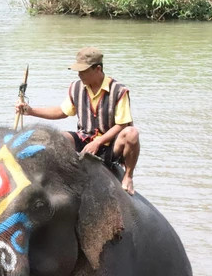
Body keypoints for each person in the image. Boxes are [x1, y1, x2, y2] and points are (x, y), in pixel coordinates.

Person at [15, 46, 141, 195]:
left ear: (98, 69)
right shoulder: (77, 87)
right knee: (55, 138)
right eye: (78, 71)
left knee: (132, 133)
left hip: (110, 144)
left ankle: (128, 177)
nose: (79, 75)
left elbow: (122, 124)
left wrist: (98, 142)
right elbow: (62, 111)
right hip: (85, 138)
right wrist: (31, 111)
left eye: (83, 71)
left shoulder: (118, 91)